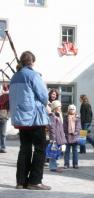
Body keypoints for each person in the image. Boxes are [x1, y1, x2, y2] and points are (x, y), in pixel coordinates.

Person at [9, 51, 51, 190]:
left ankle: (21, 182)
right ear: (32, 61)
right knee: (40, 149)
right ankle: (35, 181)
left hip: (20, 119)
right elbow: (44, 96)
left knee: (24, 149)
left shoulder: (14, 77)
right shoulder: (33, 75)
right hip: (34, 118)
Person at [48, 100, 66, 173]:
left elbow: (61, 124)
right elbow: (52, 128)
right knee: (53, 152)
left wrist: (60, 115)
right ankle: (53, 167)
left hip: (59, 137)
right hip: (55, 138)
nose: (60, 107)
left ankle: (54, 166)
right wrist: (53, 139)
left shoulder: (57, 115)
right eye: (59, 106)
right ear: (55, 107)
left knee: (56, 152)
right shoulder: (52, 116)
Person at [63, 104, 81, 169]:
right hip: (67, 136)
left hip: (75, 137)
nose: (72, 110)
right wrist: (65, 134)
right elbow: (64, 126)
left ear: (75, 110)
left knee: (75, 151)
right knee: (67, 151)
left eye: (73, 109)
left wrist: (76, 132)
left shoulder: (77, 117)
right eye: (70, 109)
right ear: (68, 110)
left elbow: (78, 126)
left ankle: (75, 164)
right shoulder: (66, 117)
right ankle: (66, 164)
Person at [0, 83, 9, 153]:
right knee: (3, 133)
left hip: (3, 117)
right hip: (4, 116)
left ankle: (2, 147)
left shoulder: (6, 96)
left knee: (3, 133)